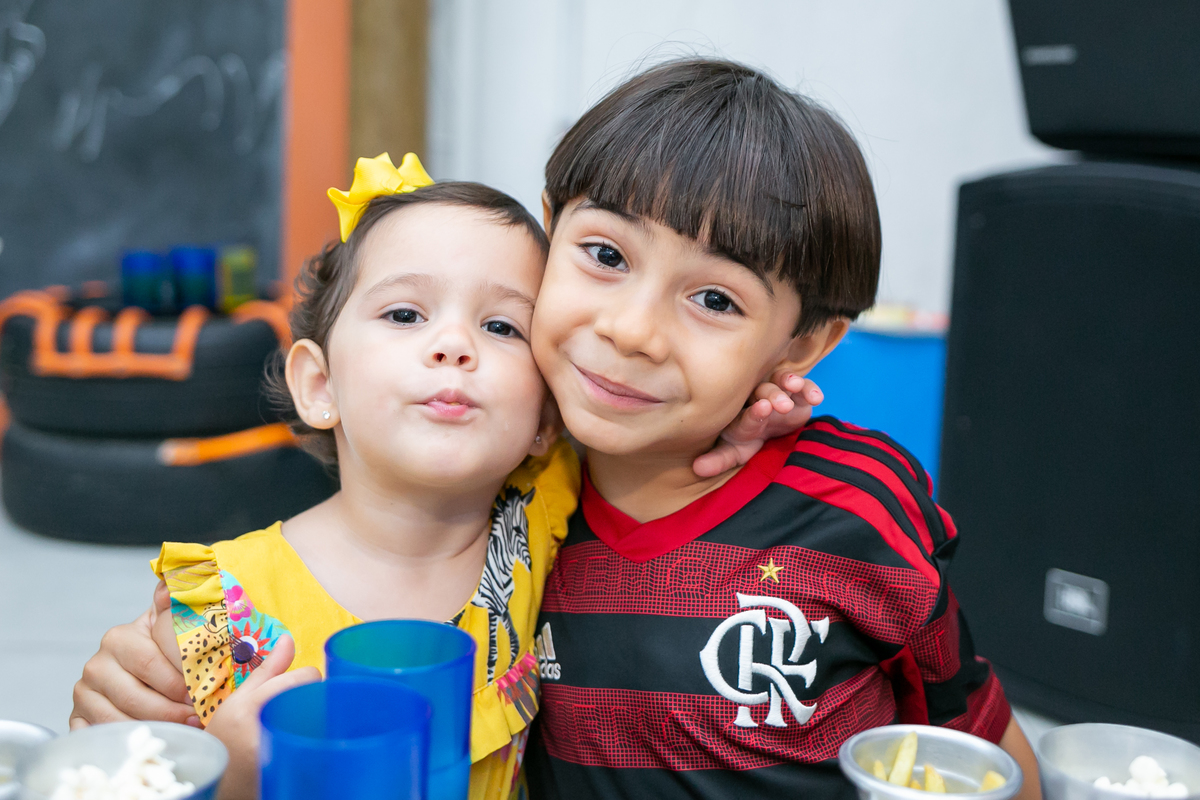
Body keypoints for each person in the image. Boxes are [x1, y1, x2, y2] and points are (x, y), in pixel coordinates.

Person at [72, 152, 819, 800]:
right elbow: (122, 767)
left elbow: (655, 438)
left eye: (502, 328)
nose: (455, 344)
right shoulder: (218, 606)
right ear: (319, 385)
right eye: (404, 314)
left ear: (544, 418)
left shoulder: (542, 520)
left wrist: (743, 411)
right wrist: (228, 778)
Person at [518, 59, 1041, 799]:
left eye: (714, 300)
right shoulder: (504, 477)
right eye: (606, 255)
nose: (632, 331)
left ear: (802, 345)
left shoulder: (859, 509)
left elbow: (978, 751)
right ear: (547, 229)